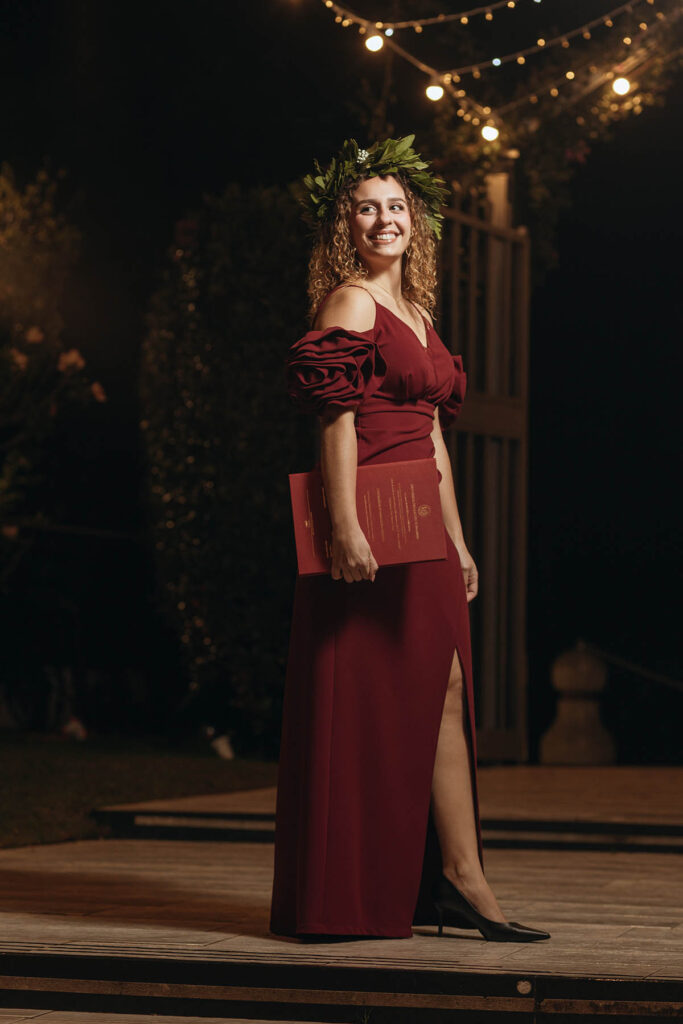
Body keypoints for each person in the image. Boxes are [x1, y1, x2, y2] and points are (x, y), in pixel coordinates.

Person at [269, 136, 550, 943]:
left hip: (421, 524)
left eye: (395, 206)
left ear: (414, 222)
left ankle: (461, 878)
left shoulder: (419, 315)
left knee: (445, 688)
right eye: (366, 208)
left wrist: (458, 542)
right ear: (345, 225)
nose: (383, 219)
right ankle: (355, 893)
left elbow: (431, 439)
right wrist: (344, 525)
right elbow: (335, 420)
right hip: (368, 522)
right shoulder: (350, 302)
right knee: (365, 700)